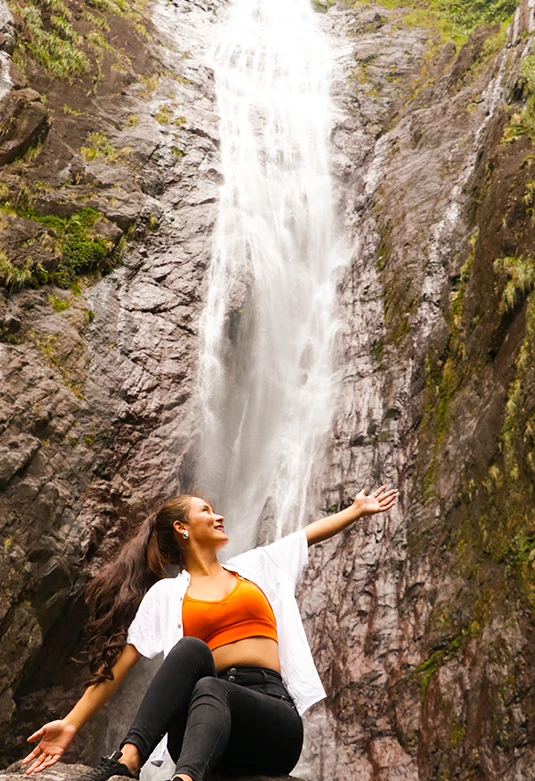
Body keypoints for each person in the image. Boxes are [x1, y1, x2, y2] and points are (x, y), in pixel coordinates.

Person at [21, 485, 398, 781]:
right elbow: (119, 667)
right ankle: (128, 760)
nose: (218, 516)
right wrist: (70, 723)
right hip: (203, 727)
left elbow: (307, 535)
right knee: (191, 653)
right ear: (181, 529)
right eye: (206, 511)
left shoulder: (257, 566)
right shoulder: (167, 594)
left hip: (271, 719)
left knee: (211, 686)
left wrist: (356, 510)